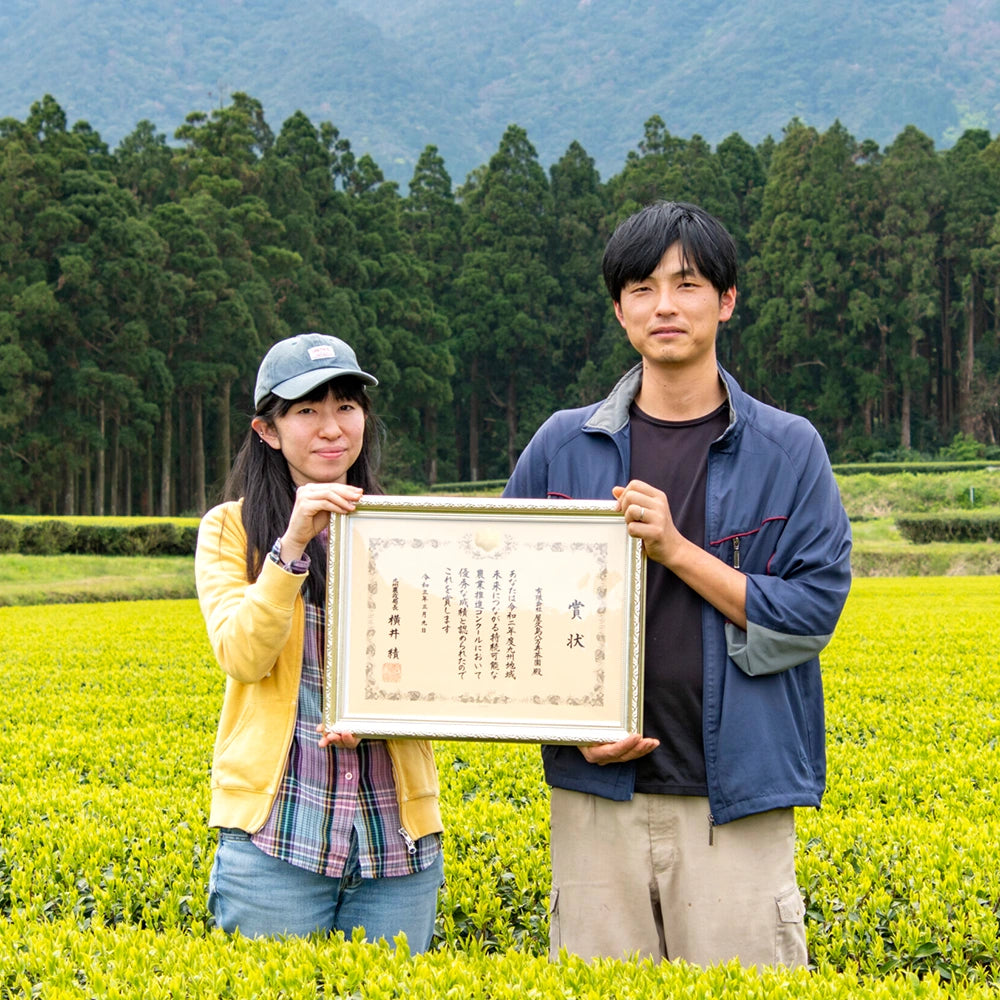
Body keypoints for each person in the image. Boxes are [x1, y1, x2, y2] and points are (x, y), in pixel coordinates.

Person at [503, 201, 852, 968]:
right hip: (596, 800)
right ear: (619, 310)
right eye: (641, 287)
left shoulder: (788, 449)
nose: (665, 305)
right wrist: (572, 730)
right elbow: (505, 610)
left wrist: (677, 549)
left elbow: (811, 610)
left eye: (687, 284)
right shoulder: (562, 445)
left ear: (726, 302)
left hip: (734, 803)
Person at [195, 332, 443, 945]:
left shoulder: (410, 530)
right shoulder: (230, 530)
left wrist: (388, 712)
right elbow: (241, 654)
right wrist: (293, 544)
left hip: (394, 843)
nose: (332, 427)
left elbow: (441, 668)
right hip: (277, 839)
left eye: (346, 406)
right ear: (268, 431)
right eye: (307, 410)